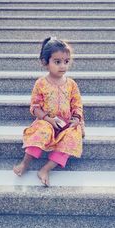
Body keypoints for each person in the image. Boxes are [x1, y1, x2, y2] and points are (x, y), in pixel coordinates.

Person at [13, 37, 85, 186]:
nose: (63, 66)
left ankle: (45, 169)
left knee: (73, 137)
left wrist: (77, 119)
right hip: (47, 121)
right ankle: (25, 163)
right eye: (57, 62)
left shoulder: (71, 84)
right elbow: (35, 107)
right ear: (45, 62)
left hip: (66, 124)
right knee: (41, 131)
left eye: (66, 61)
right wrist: (48, 119)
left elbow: (77, 104)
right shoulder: (41, 83)